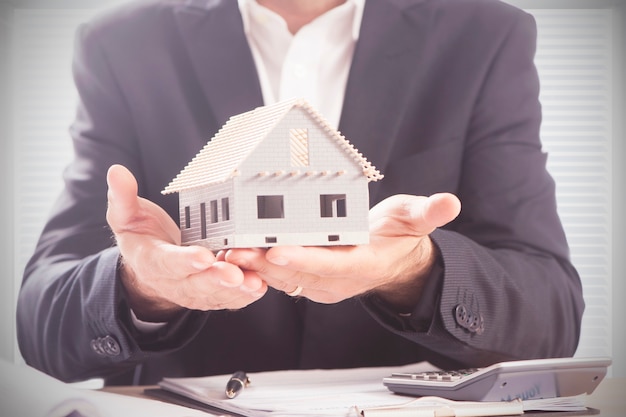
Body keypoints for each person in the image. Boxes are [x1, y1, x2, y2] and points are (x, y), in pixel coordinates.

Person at [17, 0, 585, 385]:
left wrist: (416, 270)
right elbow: (41, 325)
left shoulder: (484, 34)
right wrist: (140, 286)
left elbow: (552, 318)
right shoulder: (122, 43)